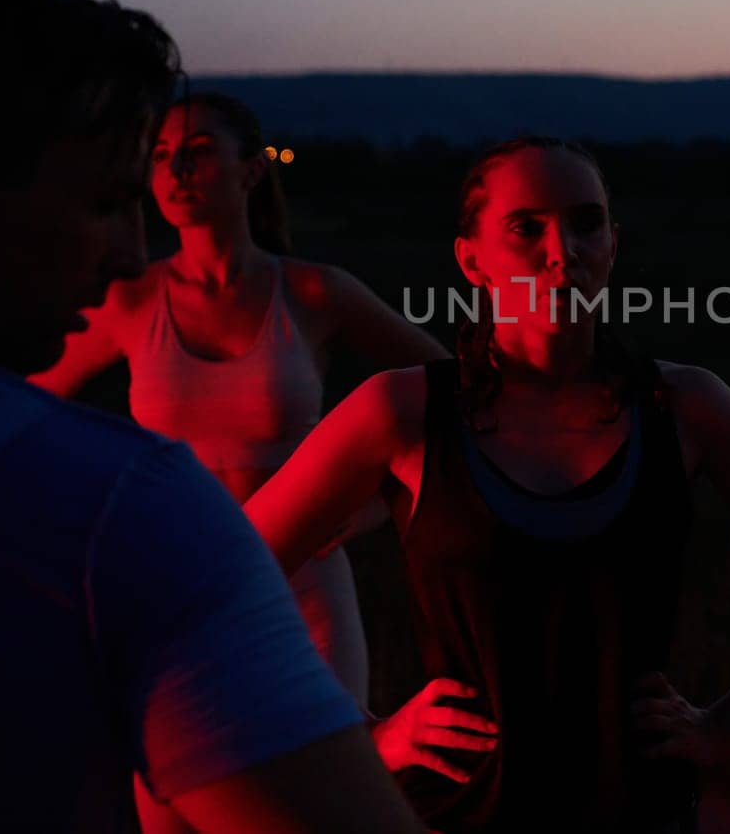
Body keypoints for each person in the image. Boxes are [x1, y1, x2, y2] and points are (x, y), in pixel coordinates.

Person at [0, 0, 423, 833]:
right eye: (108, 201)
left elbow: (444, 390)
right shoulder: (120, 503)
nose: (126, 253)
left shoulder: (310, 295)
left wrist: (363, 502)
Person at [245, 136, 730, 832]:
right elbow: (215, 581)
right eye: (527, 227)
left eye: (586, 222)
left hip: (638, 810)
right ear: (470, 259)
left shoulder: (682, 407)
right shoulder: (401, 411)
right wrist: (365, 734)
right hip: (459, 815)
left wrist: (723, 728)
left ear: (613, 244)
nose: (562, 250)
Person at [32, 90, 446, 717]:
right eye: (162, 155)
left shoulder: (313, 291)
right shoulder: (133, 301)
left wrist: (377, 508)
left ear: (251, 170)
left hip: (305, 589)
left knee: (329, 800)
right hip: (172, 582)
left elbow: (452, 393)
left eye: (198, 152)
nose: (176, 172)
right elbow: (24, 405)